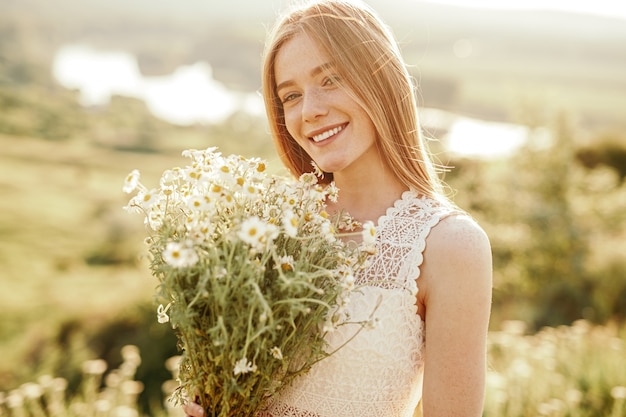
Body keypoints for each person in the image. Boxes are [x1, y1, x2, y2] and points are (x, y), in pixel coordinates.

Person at [184, 0, 492, 416]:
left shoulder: (450, 246)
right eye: (290, 96)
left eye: (330, 79)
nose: (309, 110)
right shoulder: (270, 225)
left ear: (381, 78)